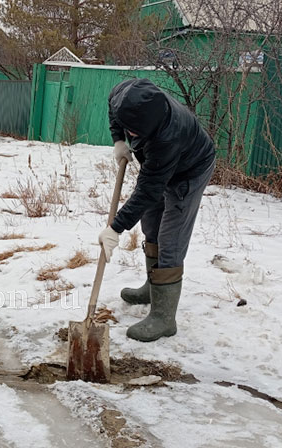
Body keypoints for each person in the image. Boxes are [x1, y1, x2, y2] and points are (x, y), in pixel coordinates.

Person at [98, 78, 216, 342]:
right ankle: (154, 287)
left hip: (190, 170)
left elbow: (149, 189)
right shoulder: (124, 93)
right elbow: (113, 109)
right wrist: (118, 140)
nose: (134, 137)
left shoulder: (167, 135)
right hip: (163, 167)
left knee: (170, 237)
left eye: (138, 134)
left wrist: (115, 227)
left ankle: (164, 317)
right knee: (151, 223)